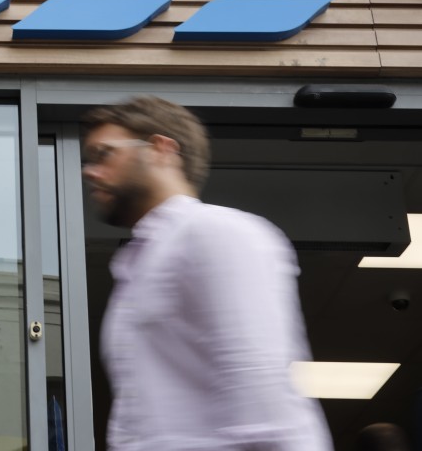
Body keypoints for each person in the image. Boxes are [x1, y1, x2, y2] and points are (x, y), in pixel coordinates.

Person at [81, 96, 332, 451]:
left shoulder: (215, 232)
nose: (89, 171)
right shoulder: (139, 263)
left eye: (104, 154)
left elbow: (260, 388)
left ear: (161, 149)